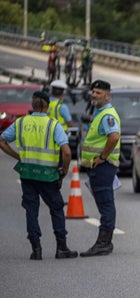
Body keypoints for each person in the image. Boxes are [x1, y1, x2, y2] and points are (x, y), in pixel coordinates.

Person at [0, 91, 78, 260]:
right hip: (48, 176)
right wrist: (63, 171)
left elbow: (2, 140)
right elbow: (66, 152)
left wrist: (17, 156)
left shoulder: (21, 123)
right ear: (48, 106)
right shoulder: (53, 125)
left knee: (31, 210)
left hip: (27, 173)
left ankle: (36, 250)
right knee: (56, 208)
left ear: (32, 105)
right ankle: (61, 248)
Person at [79, 80, 121, 257]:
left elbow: (114, 137)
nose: (94, 95)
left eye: (98, 93)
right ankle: (104, 242)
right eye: (93, 92)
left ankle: (104, 243)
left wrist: (102, 157)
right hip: (98, 167)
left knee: (106, 204)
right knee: (105, 204)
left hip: (103, 166)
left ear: (107, 95)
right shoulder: (99, 112)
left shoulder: (107, 115)